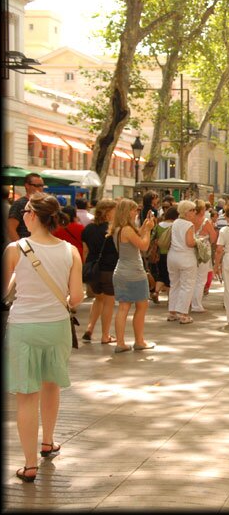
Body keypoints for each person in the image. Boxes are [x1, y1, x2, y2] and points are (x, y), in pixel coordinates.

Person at [4, 192, 83, 482]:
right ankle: (47, 442)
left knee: (26, 396)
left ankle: (29, 464)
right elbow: (76, 297)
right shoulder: (69, 251)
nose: (23, 215)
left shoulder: (15, 248)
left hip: (24, 325)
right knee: (51, 387)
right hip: (57, 325)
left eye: (25, 210)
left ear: (33, 215)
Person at [109, 198, 156, 353]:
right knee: (141, 306)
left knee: (123, 307)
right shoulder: (127, 230)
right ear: (127, 211)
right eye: (134, 209)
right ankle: (139, 341)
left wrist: (144, 226)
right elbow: (143, 245)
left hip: (121, 271)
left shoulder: (119, 229)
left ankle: (121, 342)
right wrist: (148, 230)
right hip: (134, 272)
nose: (137, 212)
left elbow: (136, 237)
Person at [81, 200, 118, 344]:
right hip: (109, 268)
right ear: (108, 211)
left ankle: (89, 329)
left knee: (98, 299)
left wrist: (88, 266)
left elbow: (85, 251)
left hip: (93, 268)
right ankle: (105, 335)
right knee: (109, 301)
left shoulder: (88, 229)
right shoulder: (112, 229)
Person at [166, 200, 198, 324]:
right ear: (186, 212)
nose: (194, 212)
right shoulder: (188, 225)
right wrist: (199, 241)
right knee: (187, 285)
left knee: (174, 284)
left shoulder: (175, 223)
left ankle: (172, 312)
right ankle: (183, 314)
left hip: (172, 256)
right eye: (192, 210)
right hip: (186, 257)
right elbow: (190, 243)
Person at [190, 199, 217, 314]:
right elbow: (213, 237)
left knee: (190, 278)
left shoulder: (188, 220)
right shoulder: (206, 222)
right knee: (201, 278)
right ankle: (196, 304)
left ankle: (189, 302)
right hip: (203, 251)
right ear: (201, 210)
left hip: (190, 249)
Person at [7, 173, 46, 242]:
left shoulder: (43, 203)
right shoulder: (19, 204)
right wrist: (20, 248)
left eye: (42, 185)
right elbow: (11, 229)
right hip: (26, 246)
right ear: (27, 186)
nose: (40, 188)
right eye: (37, 185)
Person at [152, 205, 178, 303]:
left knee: (161, 275)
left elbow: (152, 238)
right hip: (172, 253)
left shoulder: (159, 225)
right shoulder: (175, 225)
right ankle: (170, 299)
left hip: (160, 254)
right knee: (171, 277)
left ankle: (156, 292)